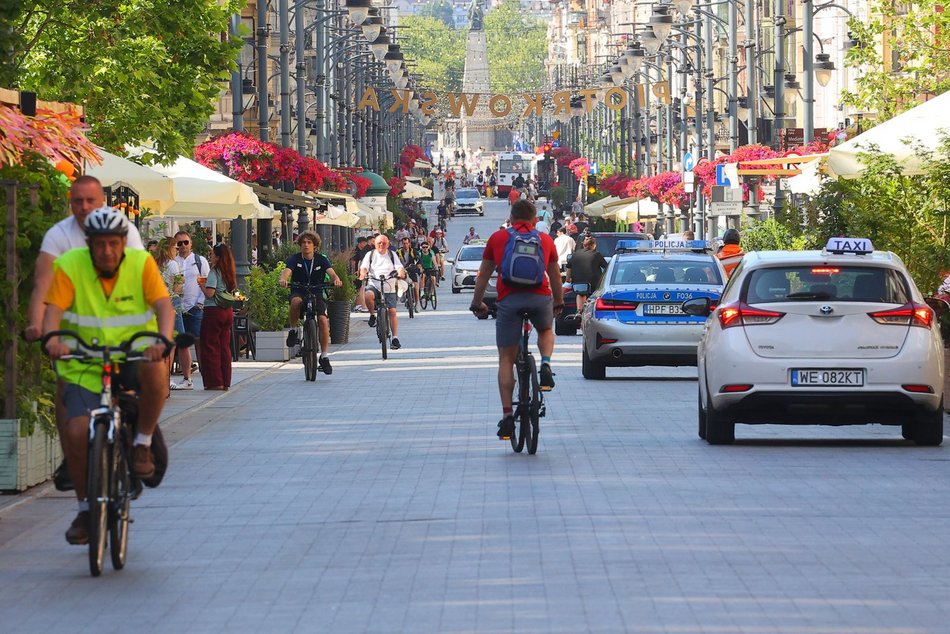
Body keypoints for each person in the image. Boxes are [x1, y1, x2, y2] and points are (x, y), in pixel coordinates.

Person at [43, 207, 174, 544]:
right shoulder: (69, 265)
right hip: (84, 361)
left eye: (113, 244)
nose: (106, 251)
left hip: (134, 353)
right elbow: (53, 311)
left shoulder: (141, 264)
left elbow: (163, 306)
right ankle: (86, 509)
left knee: (156, 372)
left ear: (122, 242)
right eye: (99, 244)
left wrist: (163, 339)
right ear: (88, 243)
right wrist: (54, 338)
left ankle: (142, 443)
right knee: (75, 430)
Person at [470, 200, 563, 440]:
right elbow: (555, 275)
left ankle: (508, 416)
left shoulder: (498, 239)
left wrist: (477, 302)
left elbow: (483, 275)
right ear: (534, 220)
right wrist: (558, 302)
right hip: (539, 298)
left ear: (511, 218)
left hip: (509, 301)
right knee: (544, 330)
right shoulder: (545, 240)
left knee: (506, 359)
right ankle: (545, 363)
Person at [26, 176, 145, 341]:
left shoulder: (124, 229)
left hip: (121, 321)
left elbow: (141, 276)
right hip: (75, 331)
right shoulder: (58, 234)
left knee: (153, 364)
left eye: (90, 200)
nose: (84, 207)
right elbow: (43, 284)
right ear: (70, 201)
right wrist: (36, 325)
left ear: (103, 200)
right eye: (78, 201)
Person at [280, 231, 342, 373]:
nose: (306, 245)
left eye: (309, 243)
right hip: (299, 290)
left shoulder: (321, 259)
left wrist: (336, 280)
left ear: (315, 246)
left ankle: (324, 356)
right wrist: (283, 279)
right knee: (295, 302)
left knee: (322, 320)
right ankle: (294, 330)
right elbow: (286, 271)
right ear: (300, 245)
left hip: (316, 291)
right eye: (304, 243)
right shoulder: (295, 259)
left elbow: (331, 273)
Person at [171, 230, 209, 390]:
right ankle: (186, 373)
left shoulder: (199, 261)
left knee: (199, 339)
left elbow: (205, 282)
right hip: (178, 307)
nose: (183, 246)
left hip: (195, 306)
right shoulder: (174, 261)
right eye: (179, 243)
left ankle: (205, 371)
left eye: (185, 242)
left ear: (191, 243)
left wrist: (200, 302)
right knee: (181, 342)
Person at [198, 243, 237, 390]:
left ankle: (215, 382)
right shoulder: (229, 271)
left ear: (218, 257)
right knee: (224, 347)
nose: (211, 256)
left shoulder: (214, 272)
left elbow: (210, 293)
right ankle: (225, 380)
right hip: (227, 311)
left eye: (213, 254)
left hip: (213, 311)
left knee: (210, 346)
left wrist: (201, 285)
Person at [359, 235, 407, 350]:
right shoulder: (370, 255)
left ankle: (395, 338)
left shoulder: (392, 254)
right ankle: (372, 315)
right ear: (375, 244)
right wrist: (363, 274)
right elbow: (364, 267)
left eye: (384, 243)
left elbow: (399, 267)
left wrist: (400, 273)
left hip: (388, 285)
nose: (381, 245)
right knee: (367, 295)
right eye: (379, 243)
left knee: (392, 311)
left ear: (388, 244)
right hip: (374, 283)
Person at [154, 237, 185, 390]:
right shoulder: (173, 265)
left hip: (157, 303)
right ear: (169, 249)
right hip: (172, 301)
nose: (177, 250)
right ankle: (167, 376)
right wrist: (181, 283)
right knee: (173, 341)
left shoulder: (155, 264)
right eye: (175, 248)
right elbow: (177, 288)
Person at [566, 235, 608, 314]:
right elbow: (606, 267)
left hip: (577, 281)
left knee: (580, 293)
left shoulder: (576, 254)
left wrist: (568, 279)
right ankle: (592, 311)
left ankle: (579, 310)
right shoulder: (596, 254)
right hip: (593, 281)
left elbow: (569, 267)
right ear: (594, 245)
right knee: (595, 294)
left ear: (583, 245)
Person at [397, 236, 422, 308]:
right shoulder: (398, 252)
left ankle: (417, 303)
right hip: (402, 271)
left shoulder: (413, 251)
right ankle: (402, 293)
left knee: (416, 285)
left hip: (411, 270)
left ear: (409, 244)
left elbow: (418, 259)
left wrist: (419, 265)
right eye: (404, 243)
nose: (405, 245)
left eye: (406, 243)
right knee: (398, 281)